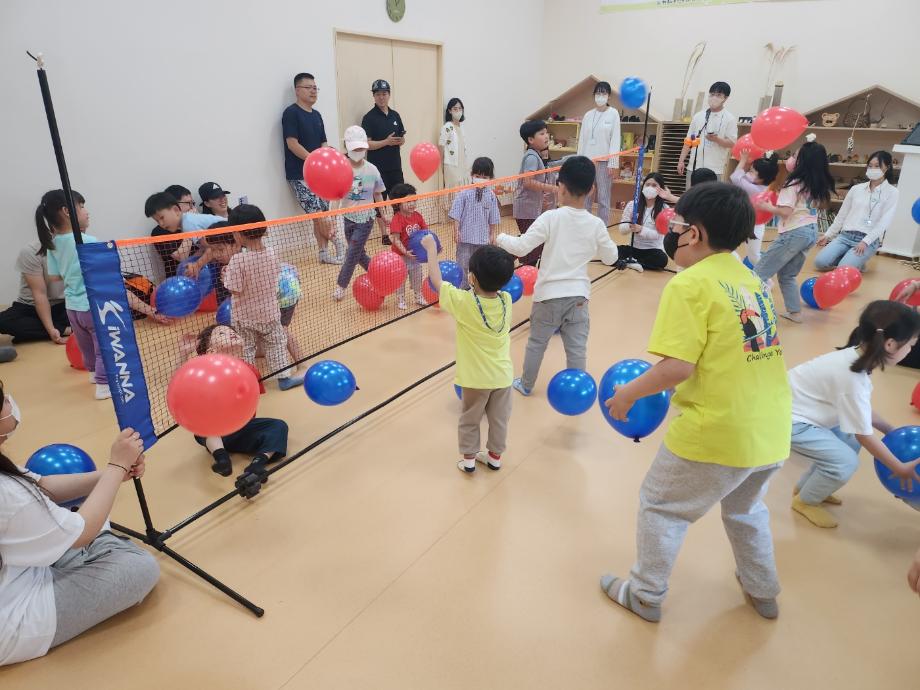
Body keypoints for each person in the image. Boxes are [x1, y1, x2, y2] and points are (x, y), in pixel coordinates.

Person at [600, 182, 790, 623]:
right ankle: (762, 590)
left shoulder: (689, 284)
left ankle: (645, 594)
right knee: (745, 510)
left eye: (678, 225)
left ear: (696, 234)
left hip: (717, 430)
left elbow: (677, 368)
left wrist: (626, 395)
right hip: (772, 428)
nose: (673, 233)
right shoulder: (751, 279)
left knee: (661, 505)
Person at [0, 384, 159, 666]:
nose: (10, 404)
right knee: (140, 568)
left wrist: (111, 474)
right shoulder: (7, 493)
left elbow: (40, 485)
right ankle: (97, 540)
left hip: (17, 569)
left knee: (78, 508)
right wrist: (117, 467)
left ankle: (78, 535)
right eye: (4, 401)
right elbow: (82, 532)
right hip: (15, 620)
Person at [788, 300, 920, 528]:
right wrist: (899, 467)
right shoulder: (852, 378)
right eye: (911, 345)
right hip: (791, 421)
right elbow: (864, 434)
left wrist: (889, 430)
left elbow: (861, 410)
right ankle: (805, 501)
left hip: (808, 411)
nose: (911, 350)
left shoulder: (857, 358)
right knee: (845, 462)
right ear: (890, 344)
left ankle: (807, 487)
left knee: (848, 443)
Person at [497, 156, 619, 395]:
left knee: (537, 343)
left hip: (548, 298)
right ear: (592, 190)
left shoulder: (551, 217)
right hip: (578, 298)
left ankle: (526, 385)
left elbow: (521, 247)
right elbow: (611, 257)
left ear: (560, 187)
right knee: (577, 348)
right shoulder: (596, 224)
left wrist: (499, 238)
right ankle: (578, 390)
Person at [419, 234, 515, 474]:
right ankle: (494, 458)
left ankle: (469, 461)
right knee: (499, 420)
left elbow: (437, 281)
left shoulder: (463, 303)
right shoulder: (506, 300)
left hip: (475, 379)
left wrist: (431, 249)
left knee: (470, 419)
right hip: (503, 377)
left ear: (471, 277)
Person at [184, 324, 289, 480]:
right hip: (216, 431)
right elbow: (182, 386)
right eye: (222, 333)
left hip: (242, 428)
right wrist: (183, 355)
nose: (231, 333)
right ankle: (222, 459)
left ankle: (258, 464)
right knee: (202, 426)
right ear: (211, 352)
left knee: (278, 426)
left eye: (232, 331)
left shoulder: (250, 371)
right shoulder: (206, 372)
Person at [36, 190, 109, 400]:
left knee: (86, 345)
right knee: (102, 346)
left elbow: (55, 277)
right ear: (67, 211)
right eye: (82, 206)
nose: (87, 211)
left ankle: (94, 374)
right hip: (91, 304)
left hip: (72, 307)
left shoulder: (53, 244)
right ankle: (103, 385)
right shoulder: (88, 240)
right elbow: (103, 270)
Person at [753, 135, 835, 323]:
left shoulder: (793, 183)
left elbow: (785, 212)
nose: (791, 159)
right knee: (787, 275)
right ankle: (795, 313)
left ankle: (754, 312)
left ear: (802, 161)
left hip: (794, 232)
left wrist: (767, 207)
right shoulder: (815, 183)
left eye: (795, 156)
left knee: (759, 273)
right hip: (810, 231)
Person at [222, 205, 303, 391]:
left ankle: (249, 381)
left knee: (247, 348)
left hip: (245, 316)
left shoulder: (238, 260)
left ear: (238, 234)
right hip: (270, 313)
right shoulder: (272, 253)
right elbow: (274, 276)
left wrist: (226, 276)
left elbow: (235, 290)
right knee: (276, 345)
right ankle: (284, 379)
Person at [282, 72, 344, 265]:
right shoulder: (291, 113)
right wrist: (314, 161)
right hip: (299, 175)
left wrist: (325, 161)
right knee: (318, 215)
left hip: (320, 176)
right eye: (308, 88)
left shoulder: (317, 115)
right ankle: (339, 244)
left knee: (321, 215)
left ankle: (323, 253)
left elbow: (323, 143)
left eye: (315, 88)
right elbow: (292, 144)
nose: (313, 91)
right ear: (297, 90)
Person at [815, 150, 899, 272]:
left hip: (867, 240)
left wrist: (865, 242)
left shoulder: (892, 192)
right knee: (820, 263)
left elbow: (884, 222)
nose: (872, 169)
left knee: (843, 269)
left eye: (877, 166)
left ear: (887, 167)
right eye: (870, 166)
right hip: (845, 236)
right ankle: (852, 260)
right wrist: (828, 235)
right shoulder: (856, 189)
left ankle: (854, 261)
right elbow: (842, 215)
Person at [333, 126, 386, 302]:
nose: (358, 152)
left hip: (366, 219)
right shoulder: (341, 169)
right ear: (347, 147)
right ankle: (380, 276)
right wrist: (332, 220)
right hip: (348, 218)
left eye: (361, 148)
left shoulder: (372, 170)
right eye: (355, 148)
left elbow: (378, 194)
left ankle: (341, 285)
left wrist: (383, 214)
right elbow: (336, 196)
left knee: (351, 252)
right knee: (358, 253)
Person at [0, 235, 72, 349]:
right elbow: (39, 294)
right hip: (30, 307)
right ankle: (66, 330)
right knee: (4, 321)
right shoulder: (31, 251)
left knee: (94, 316)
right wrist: (52, 329)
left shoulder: (82, 246)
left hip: (64, 306)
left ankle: (34, 333)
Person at [361, 79, 406, 243]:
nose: (381, 97)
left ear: (389, 95)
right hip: (377, 169)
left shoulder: (395, 115)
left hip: (395, 166)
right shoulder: (368, 118)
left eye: (384, 94)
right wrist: (386, 142)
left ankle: (399, 231)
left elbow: (402, 138)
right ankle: (384, 235)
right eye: (378, 94)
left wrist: (400, 141)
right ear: (374, 96)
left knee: (399, 200)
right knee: (379, 203)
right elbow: (366, 144)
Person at [145, 192, 225, 278]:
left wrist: (197, 265)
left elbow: (212, 248)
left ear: (176, 210)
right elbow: (204, 248)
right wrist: (192, 263)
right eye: (157, 221)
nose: (161, 224)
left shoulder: (188, 224)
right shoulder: (186, 222)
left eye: (162, 218)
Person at [512, 120, 558, 267]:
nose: (546, 136)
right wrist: (552, 188)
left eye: (546, 132)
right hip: (526, 210)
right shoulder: (531, 157)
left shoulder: (536, 155)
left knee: (533, 243)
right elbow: (528, 182)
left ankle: (522, 264)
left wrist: (542, 199)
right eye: (542, 133)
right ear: (531, 140)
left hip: (531, 209)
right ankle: (505, 258)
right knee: (532, 245)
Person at [450, 157, 501, 289]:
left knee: (480, 266)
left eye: (484, 177)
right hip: (465, 238)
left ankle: (479, 288)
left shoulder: (491, 196)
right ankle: (463, 289)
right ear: (472, 175)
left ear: (490, 178)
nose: (480, 179)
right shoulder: (464, 193)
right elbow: (456, 214)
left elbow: (493, 217)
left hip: (482, 239)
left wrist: (492, 234)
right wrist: (456, 231)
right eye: (478, 176)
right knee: (463, 264)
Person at [577, 81, 621, 225]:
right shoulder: (588, 115)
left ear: (609, 96)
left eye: (603, 93)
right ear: (594, 95)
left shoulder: (613, 114)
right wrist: (579, 161)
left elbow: (615, 139)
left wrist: (612, 163)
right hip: (587, 162)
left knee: (603, 198)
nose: (600, 96)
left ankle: (602, 228)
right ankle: (585, 226)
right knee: (586, 196)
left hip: (604, 162)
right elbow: (582, 140)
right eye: (597, 93)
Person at [676, 82, 738, 185]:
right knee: (691, 194)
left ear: (725, 98)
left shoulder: (729, 119)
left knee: (710, 195)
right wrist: (681, 160)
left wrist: (716, 139)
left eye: (718, 95)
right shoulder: (698, 116)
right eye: (712, 94)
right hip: (694, 167)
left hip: (714, 170)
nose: (714, 97)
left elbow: (732, 143)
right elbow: (689, 140)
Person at [730, 150, 780, 265]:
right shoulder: (762, 185)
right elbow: (743, 176)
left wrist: (743, 160)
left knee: (753, 257)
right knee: (730, 249)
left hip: (753, 226)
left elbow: (735, 177)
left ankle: (763, 275)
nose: (748, 173)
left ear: (761, 178)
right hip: (747, 223)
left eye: (752, 171)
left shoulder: (754, 189)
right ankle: (741, 268)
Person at [616, 172, 670, 272]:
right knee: (612, 251)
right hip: (633, 248)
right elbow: (622, 230)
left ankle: (632, 262)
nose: (650, 188)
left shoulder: (665, 209)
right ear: (643, 187)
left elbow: (658, 235)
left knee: (661, 259)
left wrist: (641, 229)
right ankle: (634, 262)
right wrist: (629, 226)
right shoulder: (632, 205)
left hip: (652, 250)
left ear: (661, 189)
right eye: (647, 184)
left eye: (654, 185)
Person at [388, 183, 427, 310]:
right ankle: (401, 299)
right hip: (401, 256)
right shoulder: (397, 219)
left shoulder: (418, 216)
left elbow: (425, 233)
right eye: (408, 201)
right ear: (398, 203)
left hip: (415, 255)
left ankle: (418, 296)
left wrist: (433, 246)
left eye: (414, 200)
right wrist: (405, 252)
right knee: (401, 278)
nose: (412, 204)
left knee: (417, 276)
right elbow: (396, 239)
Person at [439, 98, 470, 189]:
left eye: (460, 109)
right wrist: (441, 166)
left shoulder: (461, 127)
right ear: (450, 111)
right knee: (454, 188)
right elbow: (441, 145)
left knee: (463, 186)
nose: (458, 111)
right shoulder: (447, 126)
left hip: (462, 164)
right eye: (455, 109)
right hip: (451, 165)